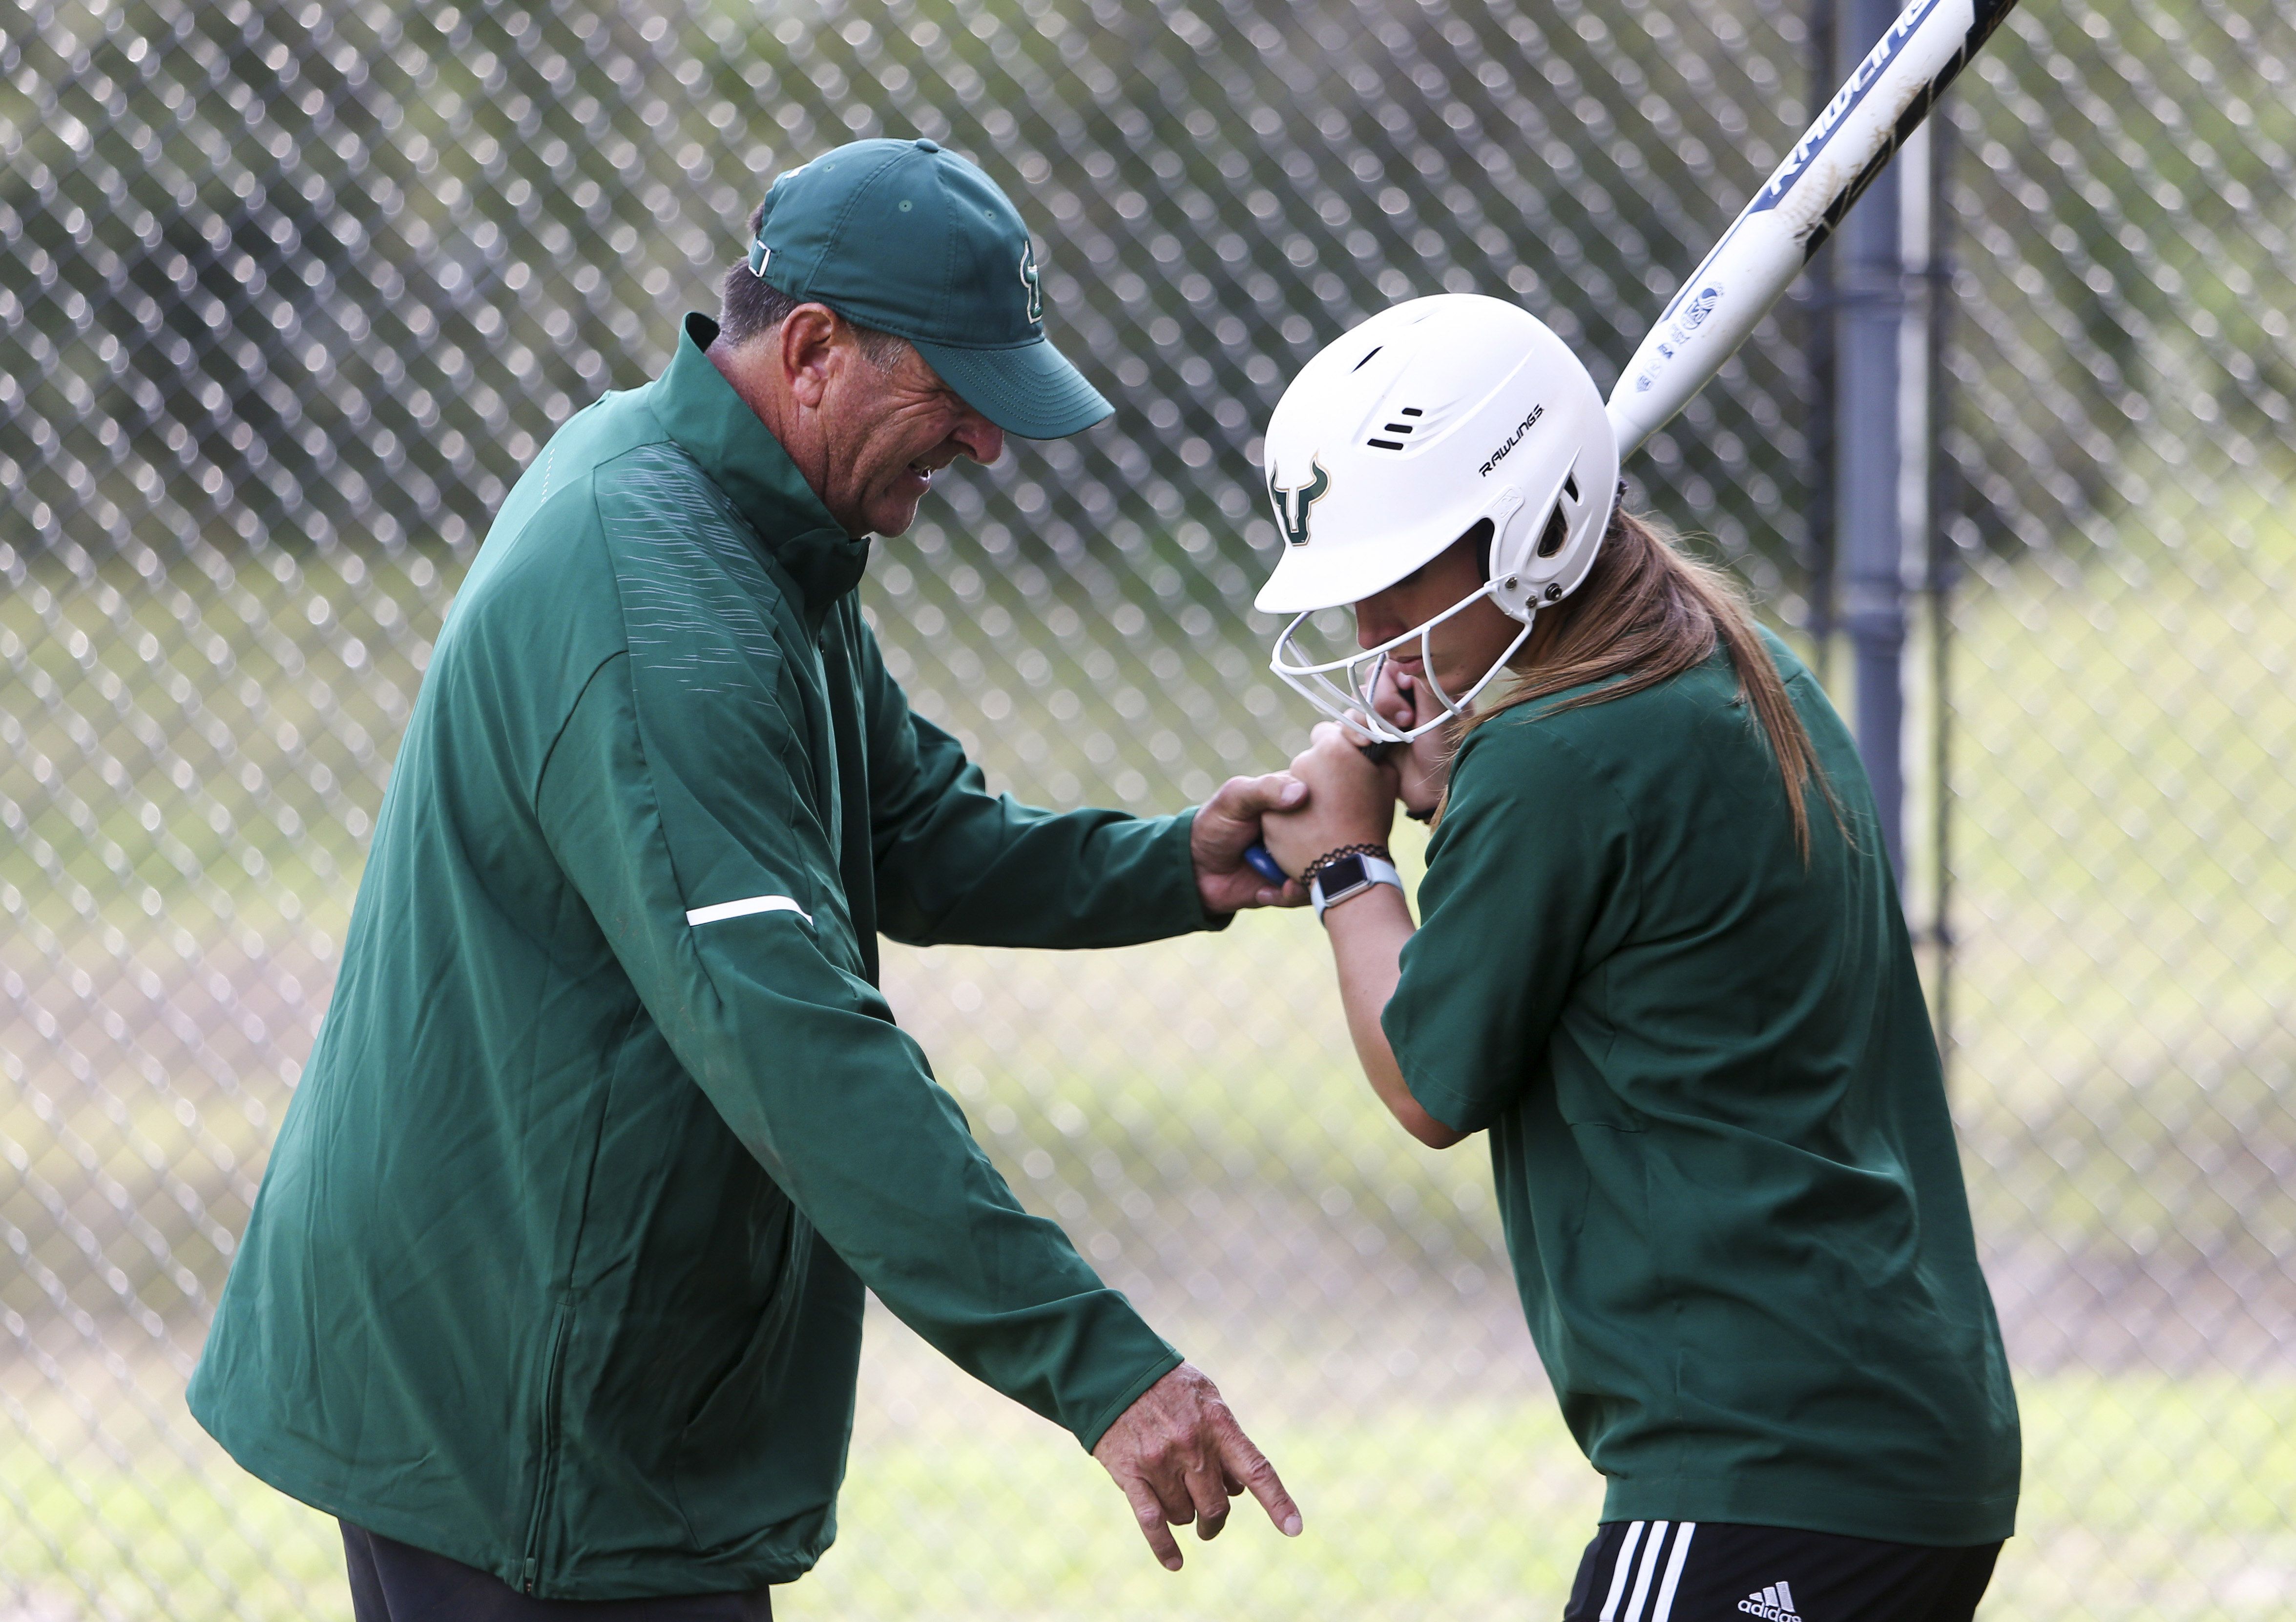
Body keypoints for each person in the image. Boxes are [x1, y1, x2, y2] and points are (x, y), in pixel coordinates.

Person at [188, 137, 1306, 1619]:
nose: (984, 444)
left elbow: (908, 826)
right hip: (517, 1395)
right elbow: (800, 1049)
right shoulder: (660, 598)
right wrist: (1106, 1369)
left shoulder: (754, 524)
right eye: (958, 393)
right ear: (817, 349)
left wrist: (1181, 864)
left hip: (577, 1374)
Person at [1250, 294, 2020, 1622]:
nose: (1371, 623)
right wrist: (1468, 776)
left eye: (1402, 573)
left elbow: (1428, 1075)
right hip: (1891, 1428)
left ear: (1531, 534)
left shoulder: (1552, 760)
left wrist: (1348, 863)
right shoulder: (1729, 661)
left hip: (1763, 1455)